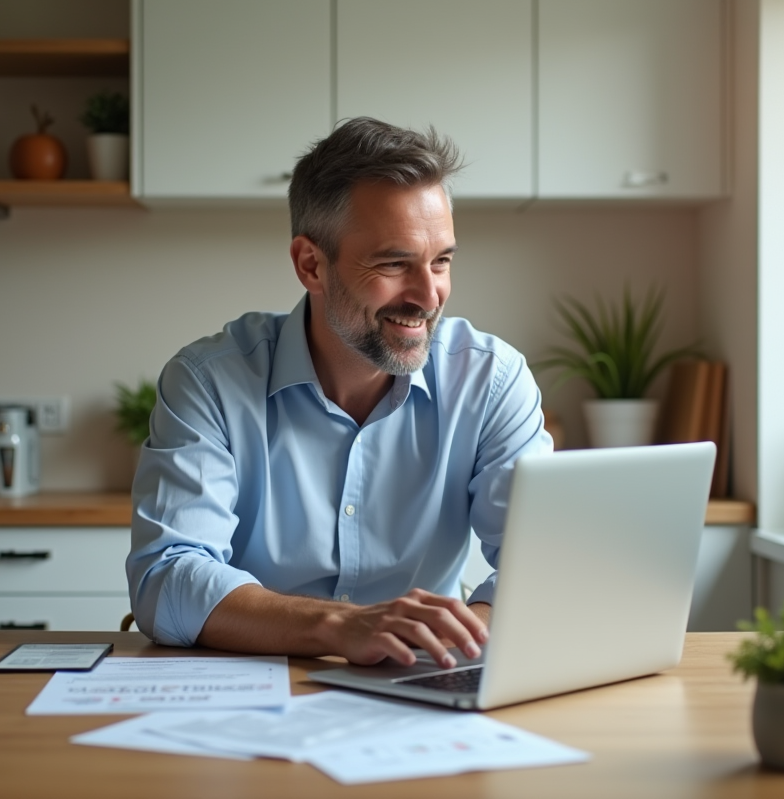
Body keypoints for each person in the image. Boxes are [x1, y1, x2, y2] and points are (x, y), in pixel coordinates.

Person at [127, 117, 552, 671]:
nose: (429, 295)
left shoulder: (491, 380)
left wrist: (466, 636)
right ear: (311, 264)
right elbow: (166, 576)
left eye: (441, 261)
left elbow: (542, 562)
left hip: (423, 682)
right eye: (394, 263)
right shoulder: (211, 381)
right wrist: (340, 627)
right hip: (257, 683)